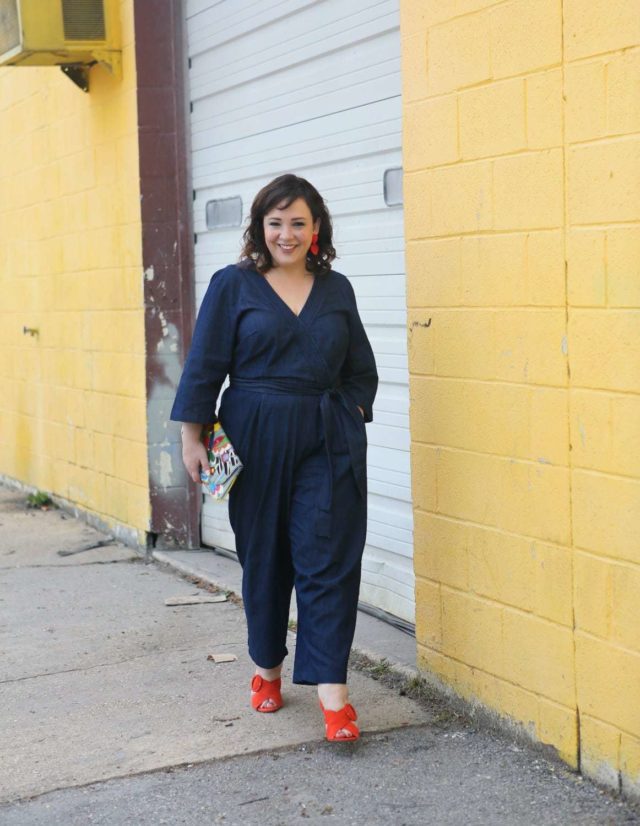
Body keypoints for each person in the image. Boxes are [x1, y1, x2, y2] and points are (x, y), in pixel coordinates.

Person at [170, 174, 378, 742]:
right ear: (261, 227)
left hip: (324, 436)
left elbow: (360, 367)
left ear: (317, 230)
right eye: (276, 222)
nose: (287, 234)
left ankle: (333, 693)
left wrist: (352, 412)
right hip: (252, 435)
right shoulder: (233, 286)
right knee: (264, 557)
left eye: (299, 223)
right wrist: (194, 438)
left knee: (327, 554)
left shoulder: (336, 290)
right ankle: (267, 667)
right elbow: (204, 368)